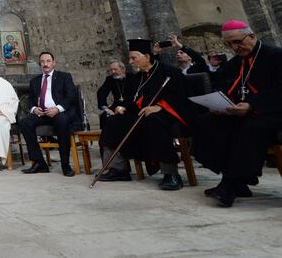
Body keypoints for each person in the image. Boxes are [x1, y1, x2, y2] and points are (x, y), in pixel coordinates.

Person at [192, 20, 282, 207]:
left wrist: (252, 106)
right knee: (207, 122)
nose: (235, 47)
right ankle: (236, 181)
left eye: (238, 42)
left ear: (252, 36)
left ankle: (230, 185)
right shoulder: (234, 64)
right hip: (242, 112)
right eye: (229, 44)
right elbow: (226, 89)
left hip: (272, 112)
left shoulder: (275, 56)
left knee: (251, 127)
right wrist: (219, 105)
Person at [98, 39, 192, 190]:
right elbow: (132, 101)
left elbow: (180, 96)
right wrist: (123, 108)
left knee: (153, 120)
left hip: (168, 114)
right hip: (142, 115)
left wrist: (159, 106)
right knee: (113, 121)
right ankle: (118, 169)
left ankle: (171, 173)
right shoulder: (137, 78)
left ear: (147, 57)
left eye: (133, 58)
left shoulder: (169, 72)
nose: (130, 62)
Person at [19, 52, 78, 177]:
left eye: (48, 61)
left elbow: (71, 96)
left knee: (62, 121)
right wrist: (34, 109)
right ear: (40, 64)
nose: (45, 64)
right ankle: (40, 163)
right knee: (24, 123)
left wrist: (57, 108)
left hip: (58, 112)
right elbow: (30, 100)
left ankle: (65, 165)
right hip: (42, 113)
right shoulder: (34, 81)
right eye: (42, 62)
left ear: (54, 63)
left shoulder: (64, 77)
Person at [96, 60, 129, 127]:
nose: (113, 72)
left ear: (123, 69)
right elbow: (102, 92)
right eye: (111, 70)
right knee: (104, 116)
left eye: (115, 69)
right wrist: (106, 108)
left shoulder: (132, 78)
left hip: (130, 105)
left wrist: (124, 108)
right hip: (116, 105)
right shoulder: (110, 79)